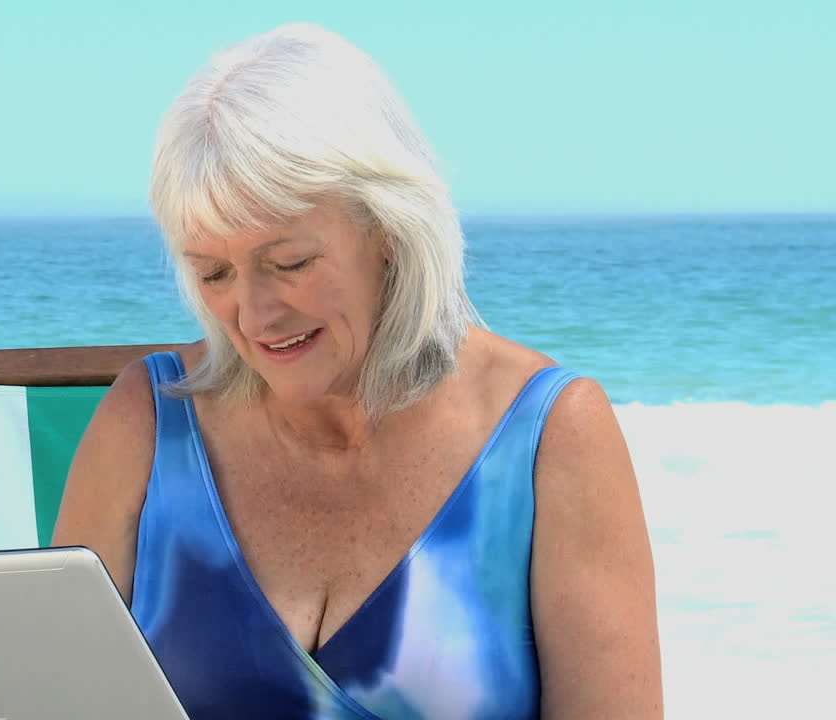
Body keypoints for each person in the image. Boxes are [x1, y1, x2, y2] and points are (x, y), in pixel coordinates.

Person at [53, 22, 661, 720]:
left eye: (290, 263)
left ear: (388, 230)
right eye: (214, 273)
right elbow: (44, 696)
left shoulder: (551, 434)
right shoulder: (147, 419)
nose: (254, 314)